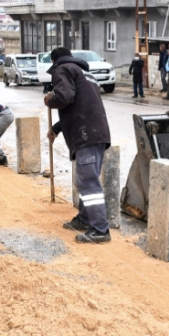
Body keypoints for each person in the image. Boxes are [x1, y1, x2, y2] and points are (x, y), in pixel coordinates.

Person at [45, 47, 112, 244]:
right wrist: (57, 128)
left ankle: (100, 229)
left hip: (86, 135)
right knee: (86, 180)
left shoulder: (62, 69)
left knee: (88, 182)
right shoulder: (85, 73)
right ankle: (84, 218)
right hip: (97, 133)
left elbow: (64, 97)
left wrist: (50, 99)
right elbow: (81, 106)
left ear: (54, 60)